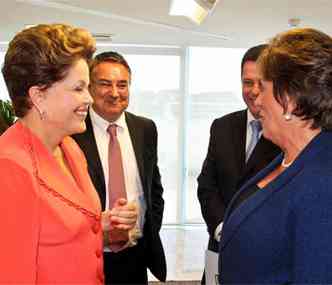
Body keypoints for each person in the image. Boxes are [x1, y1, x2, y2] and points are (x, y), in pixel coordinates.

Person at [0, 23, 137, 284]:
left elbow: (60, 233)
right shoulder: (10, 167)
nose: (89, 98)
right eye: (78, 88)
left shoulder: (69, 148)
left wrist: (103, 224)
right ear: (38, 96)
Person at [219, 28, 332, 284]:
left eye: (264, 88)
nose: (256, 99)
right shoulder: (287, 159)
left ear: (289, 100)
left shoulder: (324, 184)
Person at [73, 51, 166, 284]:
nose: (115, 93)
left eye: (122, 85)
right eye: (105, 84)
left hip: (136, 253)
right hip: (89, 254)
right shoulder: (73, 132)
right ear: (90, 87)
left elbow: (154, 188)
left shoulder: (145, 129)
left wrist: (147, 231)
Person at [197, 44, 280, 283]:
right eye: (247, 82)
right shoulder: (222, 126)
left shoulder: (286, 132)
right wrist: (222, 228)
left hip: (264, 255)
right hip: (219, 249)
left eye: (261, 83)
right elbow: (207, 184)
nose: (253, 91)